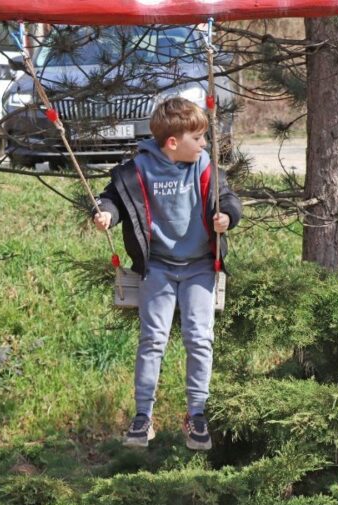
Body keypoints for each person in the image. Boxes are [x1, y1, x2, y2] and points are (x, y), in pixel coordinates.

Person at [93, 97, 242, 451]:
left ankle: (197, 414)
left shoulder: (203, 165)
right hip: (157, 267)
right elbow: (112, 198)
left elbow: (227, 198)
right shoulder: (138, 169)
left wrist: (227, 217)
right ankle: (143, 416)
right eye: (198, 138)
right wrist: (105, 214)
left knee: (199, 338)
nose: (204, 144)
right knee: (152, 339)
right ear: (172, 142)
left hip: (200, 267)